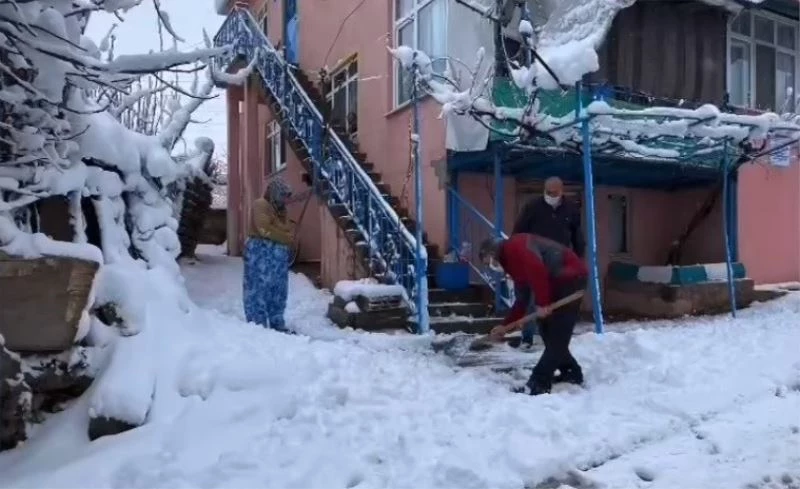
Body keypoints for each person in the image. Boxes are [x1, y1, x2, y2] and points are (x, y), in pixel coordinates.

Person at [479, 234, 588, 395]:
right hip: (554, 282)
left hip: (570, 278)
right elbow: (522, 299)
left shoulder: (516, 246)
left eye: (489, 262)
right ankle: (570, 373)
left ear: (494, 252)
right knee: (547, 332)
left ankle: (538, 383)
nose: (492, 266)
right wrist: (505, 325)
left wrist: (542, 303)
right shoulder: (511, 265)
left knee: (558, 334)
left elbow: (536, 268)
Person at [512, 176, 585, 348]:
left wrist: (578, 258)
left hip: (559, 260)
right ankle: (527, 337)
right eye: (548, 192)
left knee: (558, 298)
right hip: (535, 259)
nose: (551, 195)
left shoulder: (571, 209)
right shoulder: (533, 207)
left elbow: (577, 235)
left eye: (554, 192)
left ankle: (554, 336)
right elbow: (519, 232)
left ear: (561, 191)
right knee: (533, 299)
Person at [243, 177, 295, 332]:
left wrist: (280, 231)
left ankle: (277, 322)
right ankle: (256, 325)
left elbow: (286, 227)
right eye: (283, 195)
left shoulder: (281, 209)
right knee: (258, 287)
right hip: (259, 251)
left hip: (278, 254)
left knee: (278, 288)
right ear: (275, 192)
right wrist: (285, 237)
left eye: (287, 196)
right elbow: (264, 229)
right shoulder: (261, 204)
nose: (285, 199)